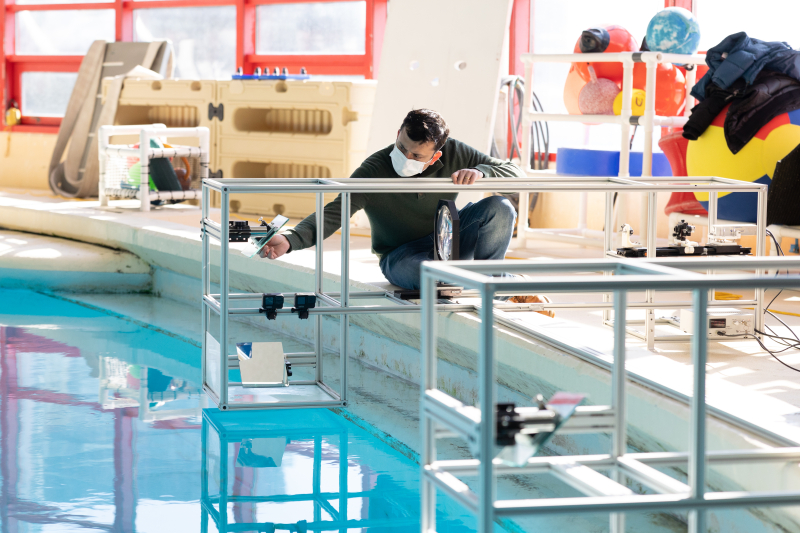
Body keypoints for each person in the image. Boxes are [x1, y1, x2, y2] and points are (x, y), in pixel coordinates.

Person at [259, 109, 551, 314]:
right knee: (434, 278)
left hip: (449, 241)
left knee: (499, 207)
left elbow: (513, 172)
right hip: (401, 256)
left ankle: (493, 280)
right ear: (398, 133)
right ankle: (501, 282)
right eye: (402, 147)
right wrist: (291, 239)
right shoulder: (374, 169)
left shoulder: (455, 153)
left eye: (416, 155)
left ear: (437, 154)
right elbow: (336, 210)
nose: (406, 157)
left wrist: (481, 172)